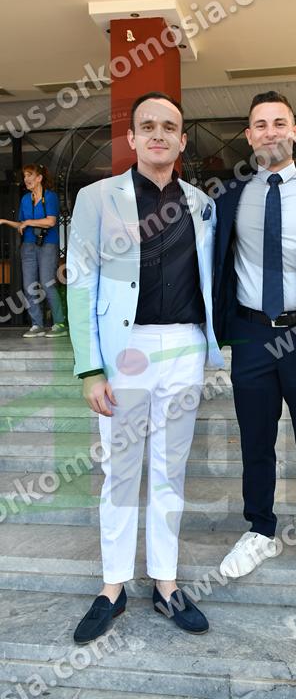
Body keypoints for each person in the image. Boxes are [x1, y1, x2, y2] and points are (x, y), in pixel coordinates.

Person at [67, 92, 223, 643]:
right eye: (148, 126)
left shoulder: (202, 205)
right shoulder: (96, 197)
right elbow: (80, 283)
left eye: (169, 127)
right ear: (132, 138)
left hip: (184, 345)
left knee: (170, 470)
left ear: (182, 141)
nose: (159, 134)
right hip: (124, 350)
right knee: (120, 469)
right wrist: (90, 368)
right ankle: (112, 587)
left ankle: (165, 582)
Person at [213, 91, 296, 588]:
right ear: (249, 136)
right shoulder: (227, 198)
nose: (271, 131)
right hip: (250, 334)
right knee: (255, 439)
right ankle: (260, 529)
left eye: (280, 123)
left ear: (295, 132)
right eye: (261, 125)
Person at [0, 164, 67, 337]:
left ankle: (59, 323)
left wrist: (29, 222)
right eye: (24, 176)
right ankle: (37, 325)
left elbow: (51, 222)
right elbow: (21, 225)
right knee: (28, 286)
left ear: (39, 178)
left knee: (47, 283)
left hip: (48, 245)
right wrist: (4, 221)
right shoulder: (25, 199)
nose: (26, 179)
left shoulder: (50, 196)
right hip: (28, 246)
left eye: (29, 175)